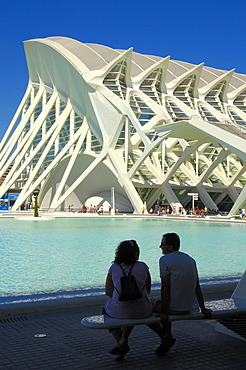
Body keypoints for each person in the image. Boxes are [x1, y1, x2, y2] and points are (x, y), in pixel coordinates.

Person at [155, 232, 212, 356]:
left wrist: (164, 313)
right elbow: (197, 286)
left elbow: (165, 287)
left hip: (175, 309)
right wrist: (203, 308)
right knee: (164, 301)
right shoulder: (190, 259)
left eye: (162, 244)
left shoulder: (164, 260)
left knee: (145, 308)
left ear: (170, 247)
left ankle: (165, 336)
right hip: (189, 306)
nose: (160, 246)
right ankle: (166, 335)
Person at [104, 240, 153, 360]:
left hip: (120, 311)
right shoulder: (143, 266)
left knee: (107, 309)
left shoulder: (114, 268)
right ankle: (123, 339)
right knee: (132, 307)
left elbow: (108, 292)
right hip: (143, 310)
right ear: (136, 253)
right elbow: (148, 290)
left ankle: (121, 342)